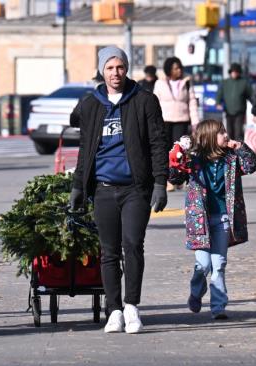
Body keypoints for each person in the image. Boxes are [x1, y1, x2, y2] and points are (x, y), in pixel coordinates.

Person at [69, 46, 168, 334]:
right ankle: (113, 310)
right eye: (110, 68)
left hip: (135, 189)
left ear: (127, 69)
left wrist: (160, 182)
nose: (116, 73)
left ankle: (132, 307)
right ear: (102, 70)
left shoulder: (144, 101)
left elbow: (158, 143)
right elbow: (86, 149)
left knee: (133, 245)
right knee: (108, 251)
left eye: (120, 67)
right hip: (103, 188)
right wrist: (78, 185)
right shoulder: (92, 105)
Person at [177, 119, 256, 319]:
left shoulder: (231, 159)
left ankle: (218, 307)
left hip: (223, 218)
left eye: (225, 131)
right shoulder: (194, 160)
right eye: (221, 132)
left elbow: (251, 166)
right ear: (210, 138)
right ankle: (196, 292)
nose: (226, 135)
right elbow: (174, 176)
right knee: (203, 265)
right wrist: (179, 151)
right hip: (200, 219)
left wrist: (240, 147)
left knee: (219, 264)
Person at [154, 56, 200, 191]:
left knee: (181, 150)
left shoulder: (187, 82)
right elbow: (154, 103)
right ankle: (168, 180)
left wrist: (195, 122)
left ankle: (181, 178)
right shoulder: (159, 83)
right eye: (175, 68)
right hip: (165, 121)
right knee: (166, 150)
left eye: (180, 68)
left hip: (182, 120)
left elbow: (192, 102)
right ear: (169, 70)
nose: (179, 70)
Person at [216, 63, 253, 141]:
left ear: (239, 72)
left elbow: (251, 95)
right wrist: (218, 102)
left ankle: (239, 150)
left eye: (236, 72)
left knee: (238, 132)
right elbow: (219, 93)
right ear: (230, 72)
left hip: (240, 112)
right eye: (233, 72)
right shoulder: (225, 82)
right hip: (228, 111)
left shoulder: (244, 83)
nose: (234, 73)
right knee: (229, 132)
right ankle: (230, 150)